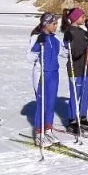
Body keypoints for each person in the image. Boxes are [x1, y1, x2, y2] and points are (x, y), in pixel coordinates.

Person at [62, 7, 88, 133]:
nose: (84, 18)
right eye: (82, 17)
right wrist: (85, 40)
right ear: (75, 18)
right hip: (76, 69)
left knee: (84, 95)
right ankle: (72, 120)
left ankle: (82, 118)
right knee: (75, 94)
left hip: (86, 68)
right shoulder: (70, 33)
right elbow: (75, 53)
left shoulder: (82, 30)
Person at [27, 13, 60, 146]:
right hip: (41, 73)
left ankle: (48, 129)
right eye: (54, 23)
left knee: (51, 103)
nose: (56, 26)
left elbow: (64, 53)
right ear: (46, 24)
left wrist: (71, 42)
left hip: (54, 74)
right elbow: (29, 58)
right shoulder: (36, 37)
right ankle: (39, 133)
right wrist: (37, 46)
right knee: (42, 103)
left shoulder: (55, 39)